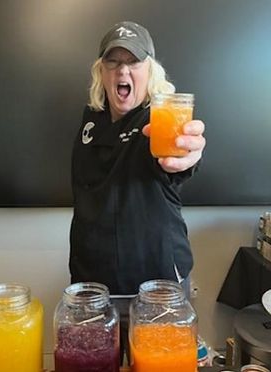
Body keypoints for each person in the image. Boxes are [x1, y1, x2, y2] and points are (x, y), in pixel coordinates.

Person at [69, 21, 206, 364]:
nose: (123, 70)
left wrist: (186, 153)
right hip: (94, 289)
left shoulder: (157, 122)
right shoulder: (90, 123)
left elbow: (176, 159)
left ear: (151, 71)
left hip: (158, 290)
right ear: (101, 71)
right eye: (113, 61)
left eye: (134, 62)